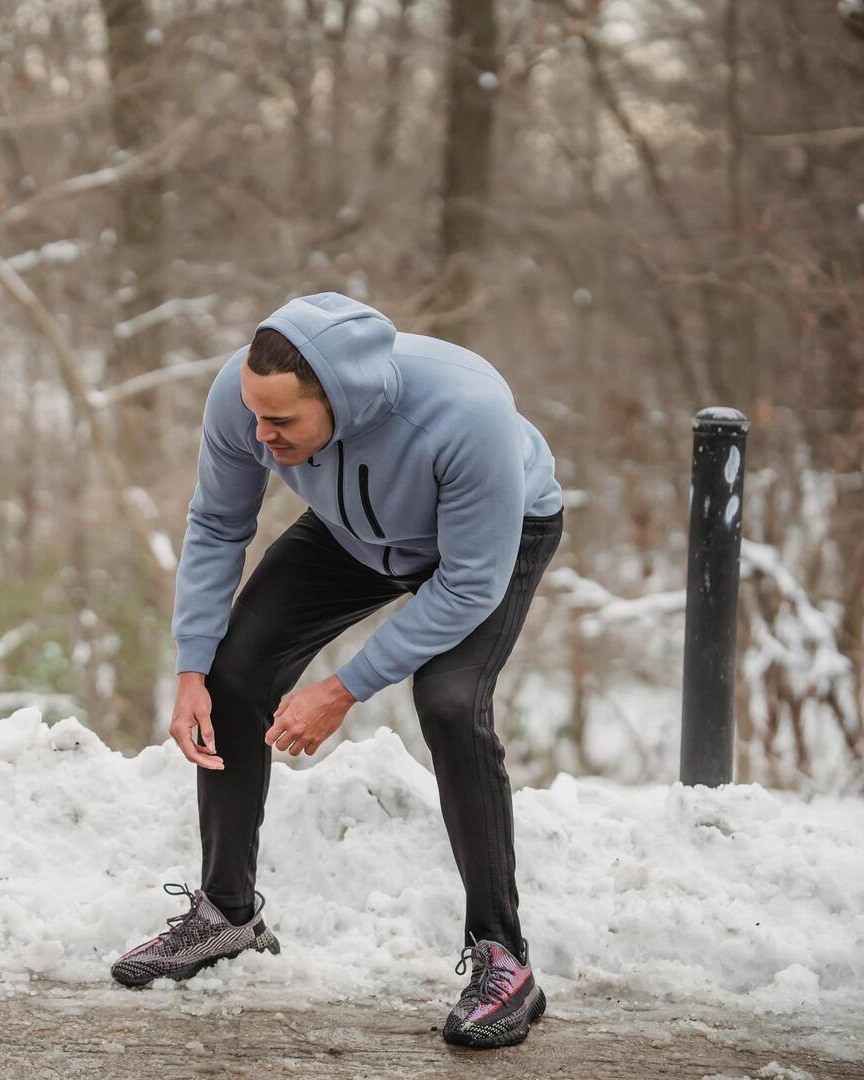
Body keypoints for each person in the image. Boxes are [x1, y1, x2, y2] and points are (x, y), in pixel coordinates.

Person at [111, 293, 563, 1050]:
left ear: (341, 402)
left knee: (450, 701)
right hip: (357, 533)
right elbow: (221, 523)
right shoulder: (246, 394)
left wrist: (344, 686)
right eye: (255, 416)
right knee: (233, 671)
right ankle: (227, 915)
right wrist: (191, 665)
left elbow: (470, 586)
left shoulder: (467, 412)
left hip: (488, 540)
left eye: (282, 423)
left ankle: (504, 958)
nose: (261, 433)